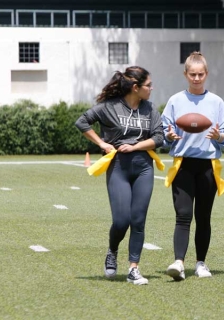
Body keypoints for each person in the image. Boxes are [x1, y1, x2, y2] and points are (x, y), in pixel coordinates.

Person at [75, 66, 164, 285]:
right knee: (122, 219)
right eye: (148, 85)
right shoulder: (109, 107)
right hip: (118, 168)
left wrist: (135, 147)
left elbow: (160, 137)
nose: (151, 89)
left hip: (144, 167)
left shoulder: (150, 109)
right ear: (136, 87)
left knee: (139, 220)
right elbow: (82, 122)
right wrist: (102, 143)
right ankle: (112, 250)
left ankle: (134, 268)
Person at [161, 52, 224, 281]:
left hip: (207, 166)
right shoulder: (175, 101)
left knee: (203, 216)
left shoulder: (216, 102)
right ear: (185, 74)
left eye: (200, 74)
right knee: (183, 215)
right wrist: (169, 136)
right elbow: (163, 135)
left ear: (206, 74)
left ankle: (201, 263)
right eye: (192, 74)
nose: (196, 78)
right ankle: (179, 262)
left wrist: (219, 136)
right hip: (183, 164)